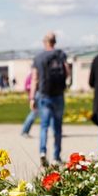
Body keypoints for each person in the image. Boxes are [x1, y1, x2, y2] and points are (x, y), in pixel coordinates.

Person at [29, 31, 69, 166]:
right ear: (55, 42)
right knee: (58, 127)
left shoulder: (38, 58)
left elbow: (34, 78)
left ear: (44, 42)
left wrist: (32, 97)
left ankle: (42, 152)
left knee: (44, 126)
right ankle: (56, 156)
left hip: (44, 94)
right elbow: (67, 71)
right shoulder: (60, 54)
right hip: (58, 95)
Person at [20, 71, 36, 137]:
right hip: (35, 98)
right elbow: (27, 87)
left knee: (51, 115)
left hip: (40, 97)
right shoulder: (31, 76)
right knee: (33, 114)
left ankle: (57, 131)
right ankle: (24, 131)